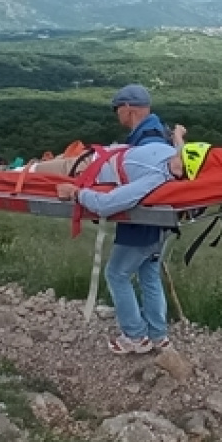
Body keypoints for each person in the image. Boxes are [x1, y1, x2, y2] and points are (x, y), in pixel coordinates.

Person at [55, 128, 213, 355]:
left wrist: (75, 193)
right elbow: (183, 156)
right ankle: (158, 335)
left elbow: (106, 204)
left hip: (140, 231)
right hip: (157, 231)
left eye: (180, 157)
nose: (176, 155)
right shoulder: (175, 158)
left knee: (116, 274)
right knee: (149, 276)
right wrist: (178, 135)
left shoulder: (155, 178)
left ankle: (135, 336)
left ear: (182, 170)